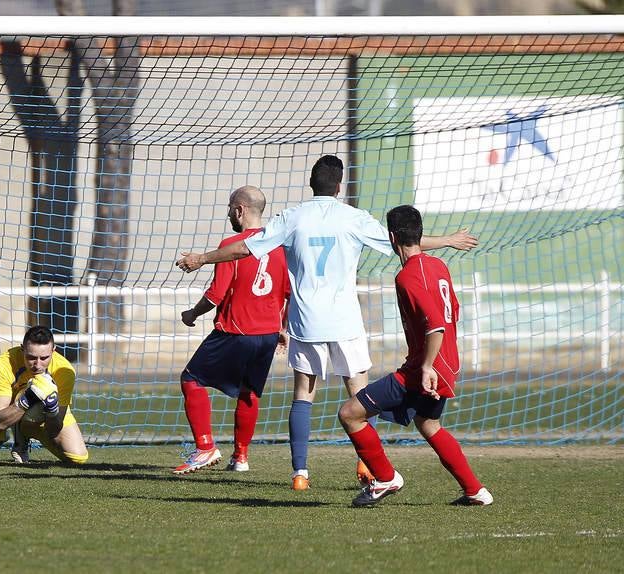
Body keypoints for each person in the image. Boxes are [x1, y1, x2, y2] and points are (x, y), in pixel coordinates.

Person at [176, 155, 477, 490]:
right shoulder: (353, 218)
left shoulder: (292, 217)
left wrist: (201, 258)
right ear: (339, 187)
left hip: (306, 321)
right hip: (344, 320)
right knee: (360, 397)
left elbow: (243, 249)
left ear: (311, 184)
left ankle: (300, 474)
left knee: (303, 395)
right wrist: (448, 239)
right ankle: (367, 466)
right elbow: (405, 243)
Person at [339, 205, 493, 507]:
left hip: (424, 371)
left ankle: (385, 478)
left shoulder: (407, 277)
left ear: (392, 237)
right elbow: (453, 314)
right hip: (448, 365)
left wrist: (424, 366)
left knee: (350, 414)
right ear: (419, 234)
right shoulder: (438, 266)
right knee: (429, 424)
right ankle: (475, 490)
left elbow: (436, 325)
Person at [173, 185, 291, 475]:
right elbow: (288, 293)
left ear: (240, 210)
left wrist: (192, 313)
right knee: (249, 392)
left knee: (191, 379)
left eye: (230, 208)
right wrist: (282, 327)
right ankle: (241, 457)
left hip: (236, 330)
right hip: (266, 335)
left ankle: (204, 447)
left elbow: (216, 294)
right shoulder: (281, 248)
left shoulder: (232, 246)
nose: (228, 213)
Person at [0, 325, 89, 465]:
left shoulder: (64, 371)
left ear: (54, 351)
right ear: (22, 349)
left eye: (44, 358)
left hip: (41, 413)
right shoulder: (4, 363)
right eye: (31, 357)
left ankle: (26, 430)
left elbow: (54, 429)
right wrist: (29, 398)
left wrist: (52, 410)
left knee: (78, 457)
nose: (37, 364)